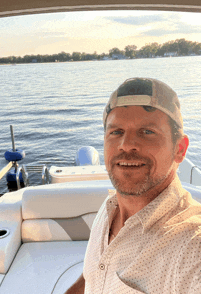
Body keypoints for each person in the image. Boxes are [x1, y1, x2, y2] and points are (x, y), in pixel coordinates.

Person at [65, 78, 201, 294]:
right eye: (116, 132)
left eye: (147, 132)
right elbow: (93, 277)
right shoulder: (108, 208)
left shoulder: (191, 246)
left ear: (180, 149)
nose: (126, 144)